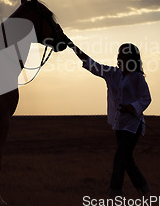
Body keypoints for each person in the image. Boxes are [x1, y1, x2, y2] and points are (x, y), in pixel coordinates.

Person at [65, 37, 151, 197]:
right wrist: (71, 45)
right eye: (119, 54)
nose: (118, 57)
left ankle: (114, 192)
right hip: (120, 125)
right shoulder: (113, 74)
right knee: (126, 159)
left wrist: (132, 107)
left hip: (133, 125)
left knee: (120, 158)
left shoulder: (137, 77)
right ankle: (143, 189)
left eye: (122, 55)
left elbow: (146, 98)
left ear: (131, 58)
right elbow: (92, 64)